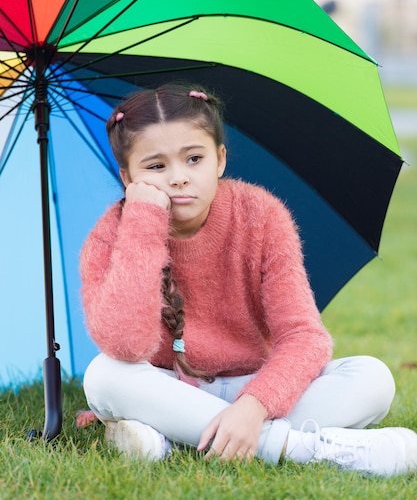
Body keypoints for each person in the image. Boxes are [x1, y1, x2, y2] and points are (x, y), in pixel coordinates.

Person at [80, 83, 417, 477]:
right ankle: (300, 447)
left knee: (372, 379)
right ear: (127, 176)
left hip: (257, 384)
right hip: (169, 386)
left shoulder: (261, 216)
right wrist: (143, 224)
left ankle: (174, 435)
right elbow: (126, 344)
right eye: (156, 166)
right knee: (104, 377)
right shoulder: (113, 234)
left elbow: (303, 337)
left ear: (220, 159)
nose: (178, 178)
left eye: (194, 159)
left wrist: (253, 406)